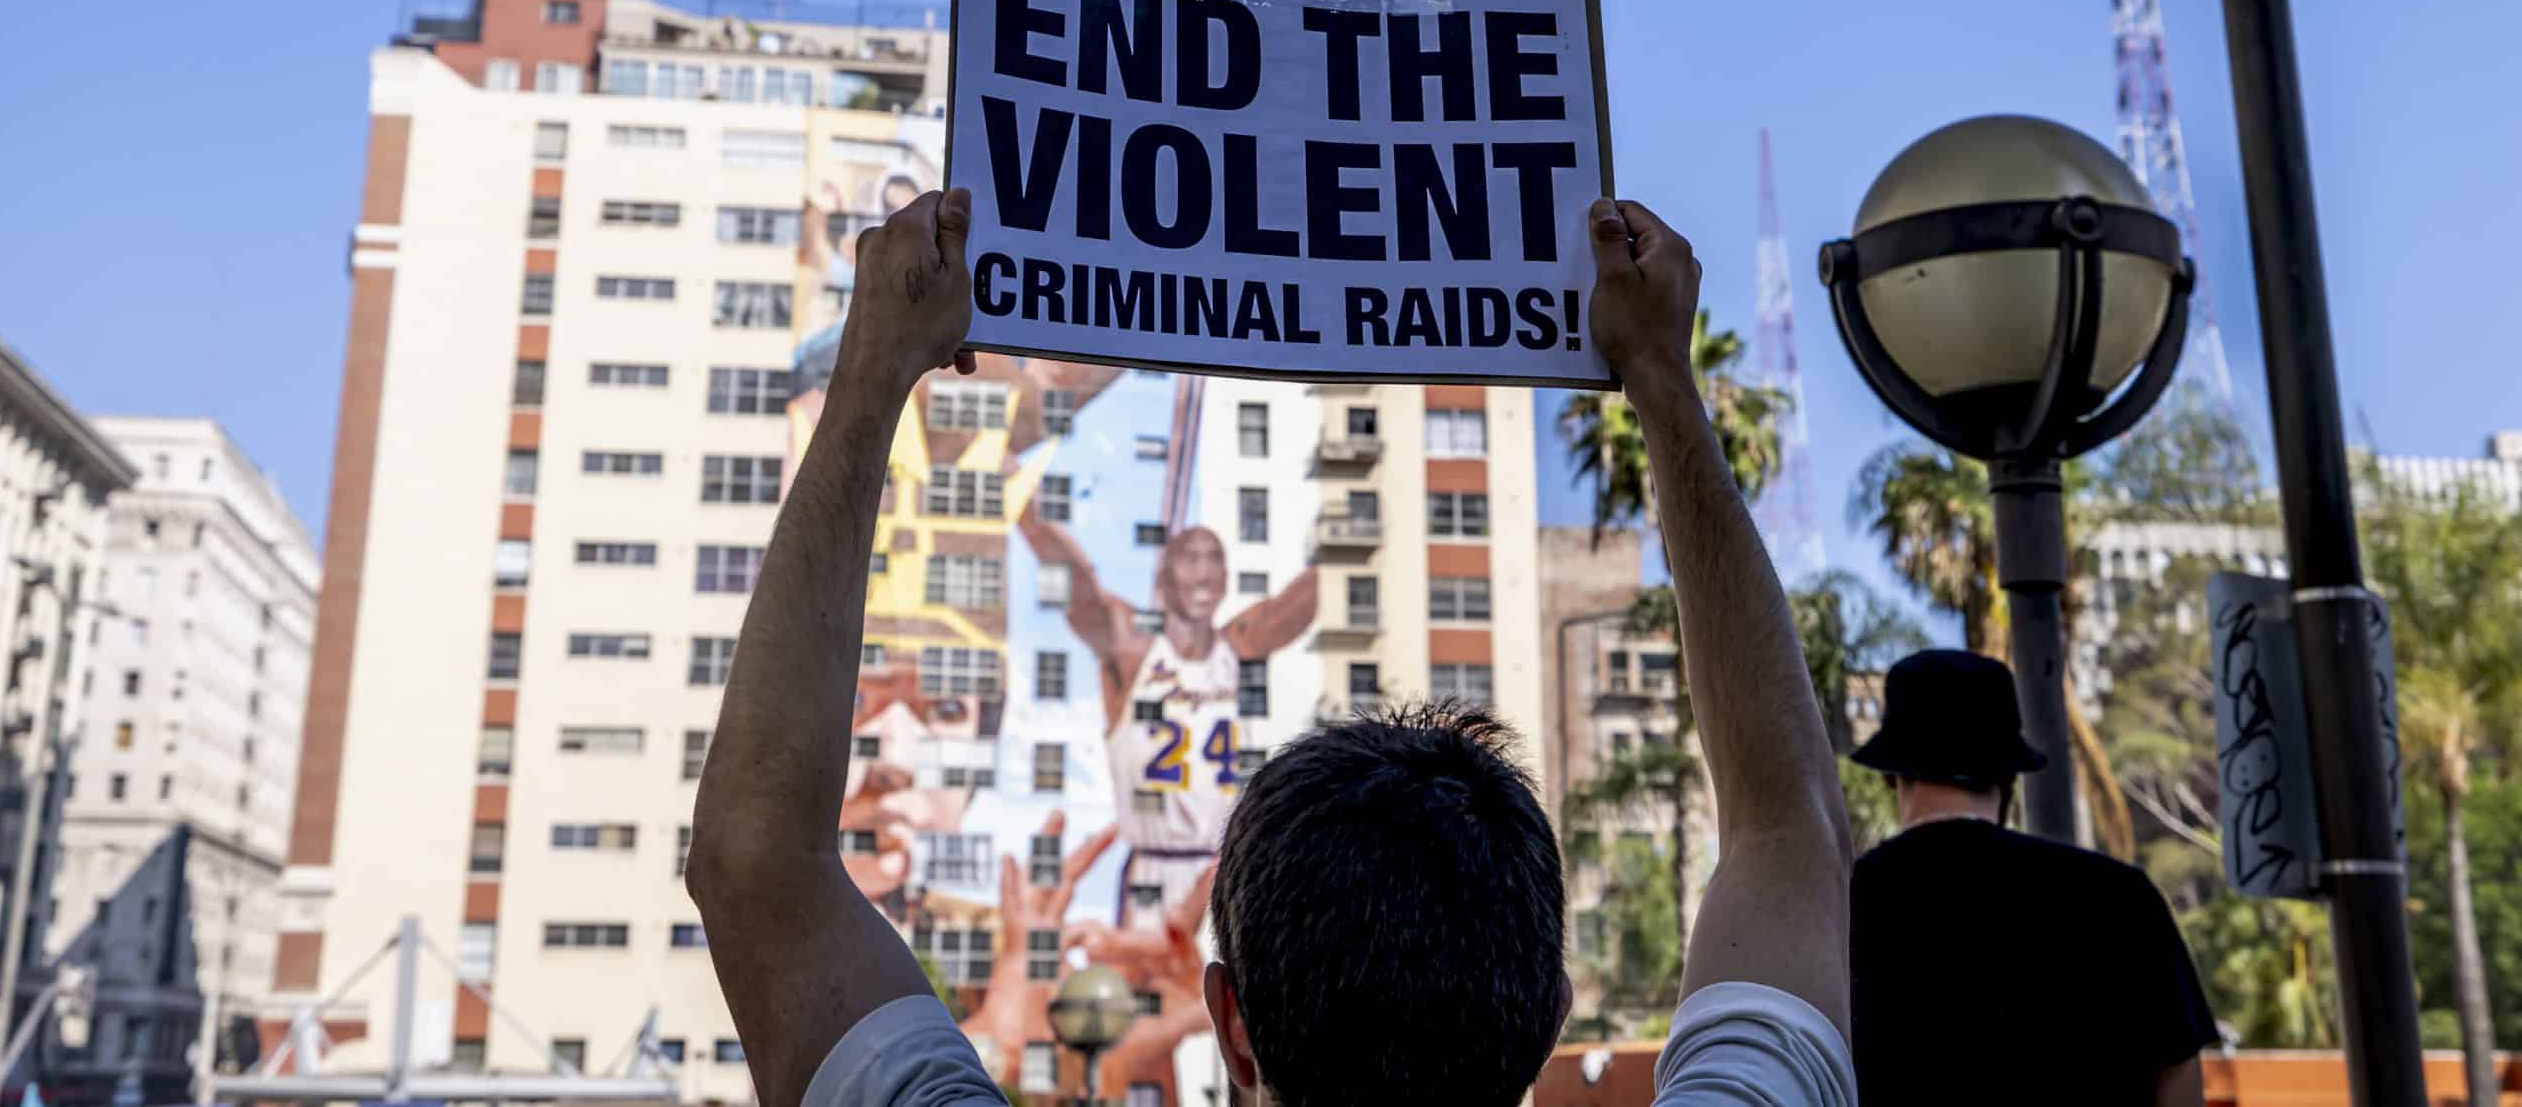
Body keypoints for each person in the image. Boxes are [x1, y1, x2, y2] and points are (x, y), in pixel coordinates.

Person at [689, 189, 1857, 1107]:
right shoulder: (1127, 634)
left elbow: (753, 858)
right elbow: (1789, 826)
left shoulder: (1218, 635)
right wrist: (1661, 378)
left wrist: (870, 375)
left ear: (1229, 1025)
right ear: (1550, 1019)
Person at [1847, 649, 2216, 1106]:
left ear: (1890, 775)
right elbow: (2178, 1075)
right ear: (2008, 777)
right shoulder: (2120, 897)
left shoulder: (1843, 906)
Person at [1015, 509, 1315, 926]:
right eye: (1191, 558)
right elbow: (1082, 588)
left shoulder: (1240, 646)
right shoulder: (1133, 650)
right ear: (1163, 577)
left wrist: (1336, 550)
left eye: (1214, 559)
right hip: (1155, 870)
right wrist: (1030, 517)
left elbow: (1291, 610)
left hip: (1225, 867)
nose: (1204, 572)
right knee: (1156, 986)